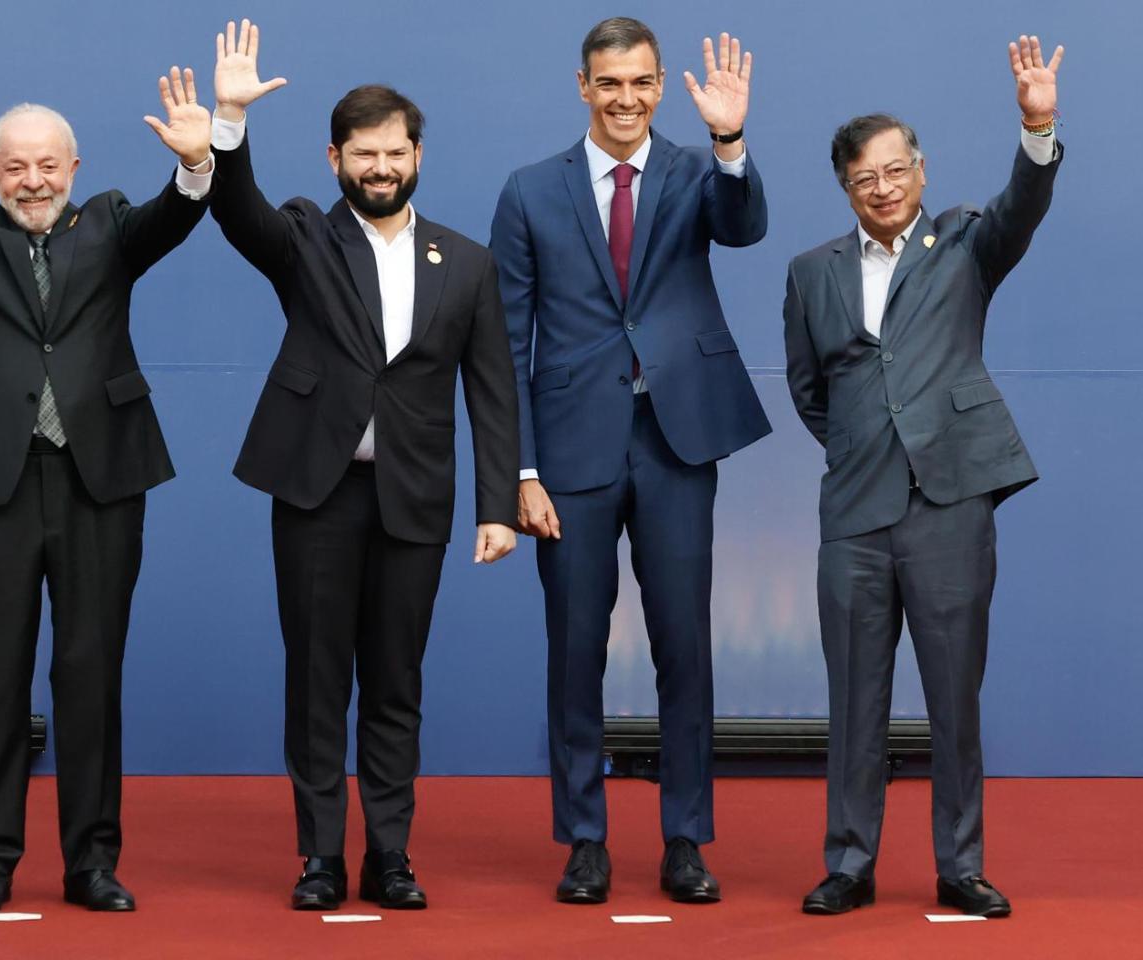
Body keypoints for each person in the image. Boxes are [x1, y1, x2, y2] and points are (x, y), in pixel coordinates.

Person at [0, 70, 214, 913]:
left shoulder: (114, 223)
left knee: (91, 672)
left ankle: (92, 862)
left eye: (48, 165)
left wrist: (197, 163)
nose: (33, 181)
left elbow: (176, 216)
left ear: (74, 169)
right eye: (15, 167)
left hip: (101, 476)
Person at [205, 20, 519, 911]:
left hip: (414, 497)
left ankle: (390, 855)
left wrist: (498, 503)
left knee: (394, 684)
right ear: (334, 158)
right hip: (318, 493)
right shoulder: (305, 236)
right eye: (364, 154)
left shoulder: (467, 262)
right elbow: (236, 211)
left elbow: (494, 391)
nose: (381, 168)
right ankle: (319, 858)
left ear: (417, 156)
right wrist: (230, 122)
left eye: (394, 152)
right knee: (316, 684)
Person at [489, 17, 770, 905]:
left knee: (685, 646)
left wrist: (730, 138)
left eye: (642, 82)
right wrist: (520, 471)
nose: (626, 99)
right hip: (569, 452)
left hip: (675, 441)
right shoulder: (530, 190)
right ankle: (584, 840)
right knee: (574, 650)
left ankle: (685, 838)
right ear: (583, 86)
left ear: (659, 84)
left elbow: (744, 227)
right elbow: (506, 343)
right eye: (609, 83)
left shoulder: (695, 171)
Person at [786, 36, 1064, 920]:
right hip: (855, 514)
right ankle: (849, 863)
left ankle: (961, 865)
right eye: (865, 178)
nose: (884, 187)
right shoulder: (811, 274)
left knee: (954, 699)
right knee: (854, 702)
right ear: (846, 189)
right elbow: (809, 391)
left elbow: (1025, 207)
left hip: (950, 505)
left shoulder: (966, 243)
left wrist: (1037, 125)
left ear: (920, 168)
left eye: (896, 170)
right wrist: (866, 446)